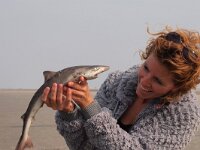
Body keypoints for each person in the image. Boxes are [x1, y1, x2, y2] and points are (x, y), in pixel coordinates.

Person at [42, 27, 200, 150]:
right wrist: (69, 112)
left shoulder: (185, 112)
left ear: (178, 87)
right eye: (145, 68)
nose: (144, 81)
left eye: (157, 81)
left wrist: (91, 108)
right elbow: (83, 146)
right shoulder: (117, 82)